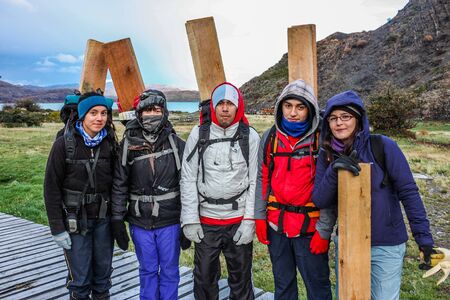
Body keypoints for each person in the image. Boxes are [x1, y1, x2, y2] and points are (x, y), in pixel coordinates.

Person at [312, 90, 436, 299]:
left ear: (358, 119)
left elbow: (409, 192)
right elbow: (320, 199)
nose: (339, 123)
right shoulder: (327, 153)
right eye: (333, 118)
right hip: (348, 242)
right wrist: (335, 170)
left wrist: (424, 239)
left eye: (345, 117)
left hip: (386, 244)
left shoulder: (383, 146)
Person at [180, 82, 260, 300]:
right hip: (207, 221)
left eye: (230, 103)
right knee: (204, 278)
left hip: (238, 220)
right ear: (213, 106)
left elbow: (256, 180)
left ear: (238, 106)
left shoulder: (250, 136)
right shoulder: (198, 134)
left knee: (241, 279)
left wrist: (250, 220)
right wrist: (190, 219)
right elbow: (187, 177)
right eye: (221, 103)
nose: (225, 108)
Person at [254, 80, 333, 300]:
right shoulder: (271, 137)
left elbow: (330, 188)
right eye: (288, 106)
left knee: (317, 287)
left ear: (310, 109)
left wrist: (324, 230)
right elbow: (262, 177)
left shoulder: (322, 139)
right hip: (276, 226)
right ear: (281, 107)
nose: (293, 113)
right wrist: (259, 217)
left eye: (300, 107)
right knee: (283, 285)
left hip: (310, 228)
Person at [111, 89, 185, 300]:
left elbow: (187, 185)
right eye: (146, 110)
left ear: (164, 112)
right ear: (138, 113)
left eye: (156, 109)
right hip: (140, 221)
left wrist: (187, 221)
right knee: (148, 270)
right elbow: (119, 184)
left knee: (170, 271)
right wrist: (117, 218)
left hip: (170, 220)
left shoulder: (177, 144)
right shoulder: (127, 145)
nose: (151, 114)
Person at [44, 92, 118, 300]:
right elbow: (51, 187)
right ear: (82, 115)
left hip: (104, 221)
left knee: (103, 280)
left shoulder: (110, 143)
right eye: (93, 113)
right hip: (75, 221)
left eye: (104, 113)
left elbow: (117, 183)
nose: (99, 118)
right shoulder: (64, 145)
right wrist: (57, 228)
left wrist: (118, 219)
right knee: (80, 281)